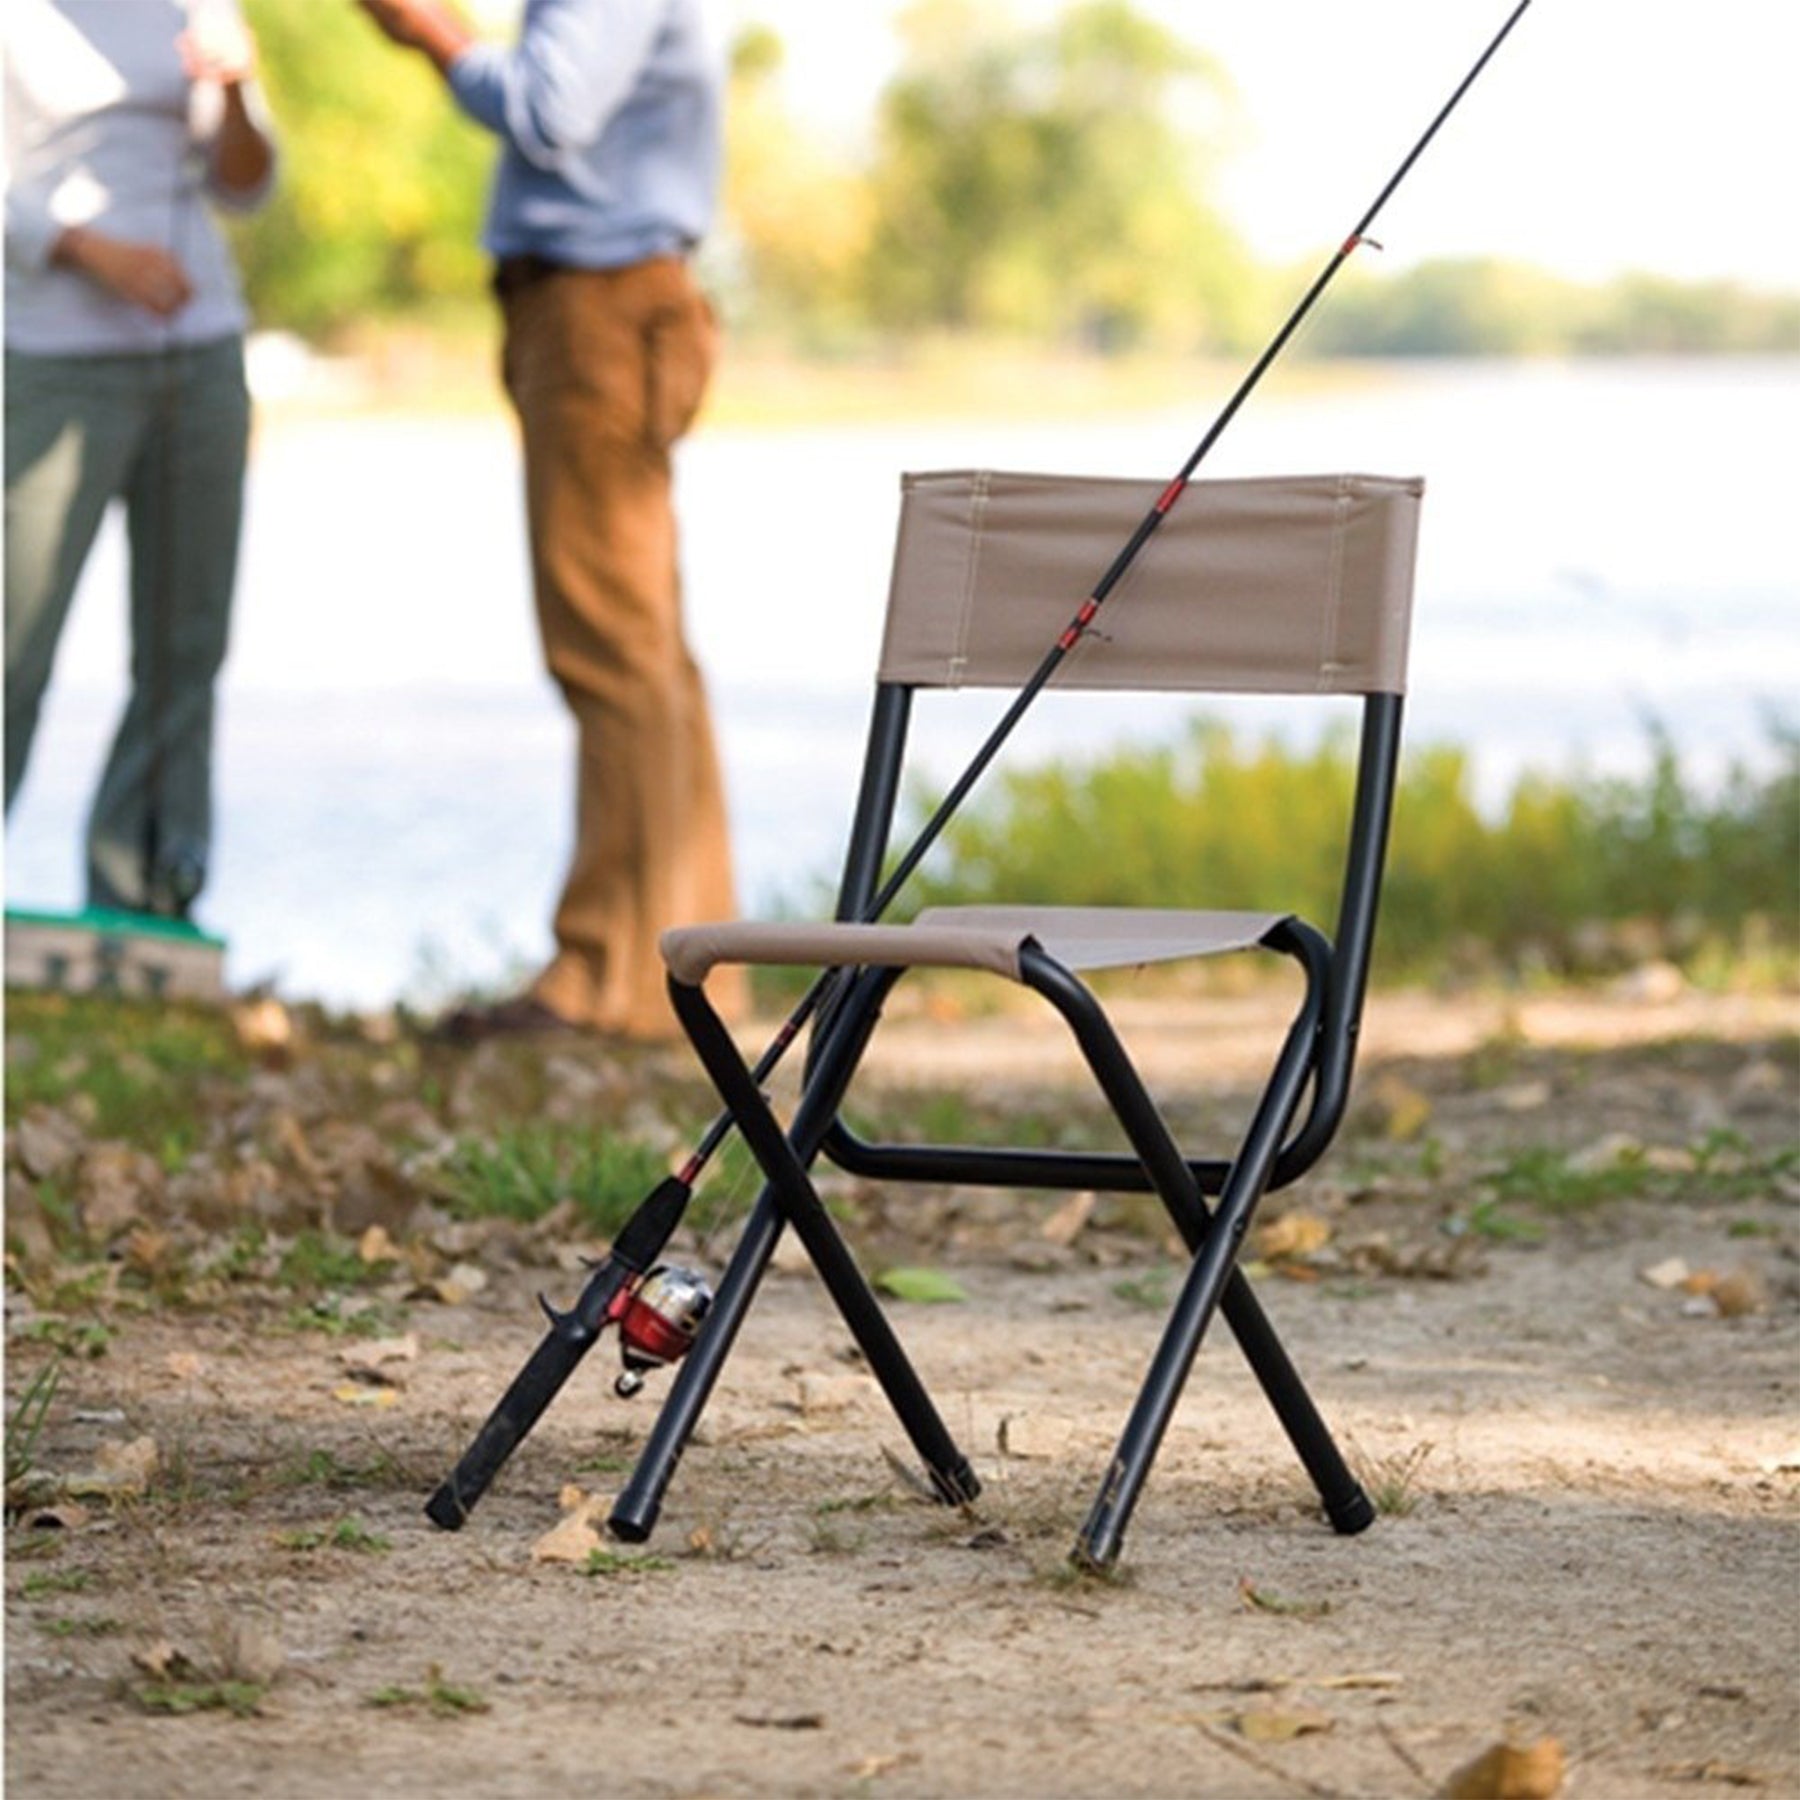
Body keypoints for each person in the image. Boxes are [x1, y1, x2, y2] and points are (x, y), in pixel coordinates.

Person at [355, 0, 744, 1043]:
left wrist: (426, 34)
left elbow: (550, 107)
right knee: (652, 651)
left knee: (611, 650)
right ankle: (691, 974)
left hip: (596, 311)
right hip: (616, 302)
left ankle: (609, 980)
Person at [4, 0, 278, 920]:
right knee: (15, 641)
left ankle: (145, 903)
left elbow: (246, 183)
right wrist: (86, 249)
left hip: (198, 351)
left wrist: (236, 89)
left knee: (184, 645)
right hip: (51, 356)